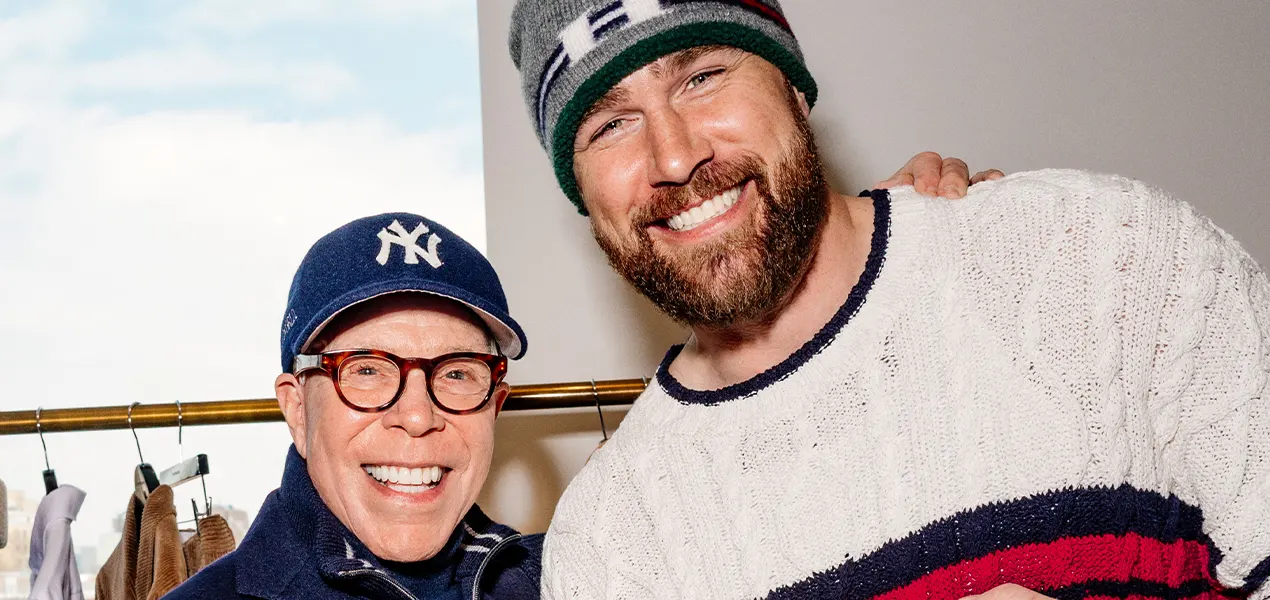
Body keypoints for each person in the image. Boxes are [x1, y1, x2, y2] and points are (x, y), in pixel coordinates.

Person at [506, 1, 1270, 599]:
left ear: (792, 88)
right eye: (610, 124)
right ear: (582, 194)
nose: (674, 156)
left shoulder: (1104, 257)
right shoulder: (613, 539)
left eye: (702, 77)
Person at [167, 213, 540, 599]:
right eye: (366, 369)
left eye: (457, 374)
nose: (417, 416)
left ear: (495, 408)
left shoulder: (560, 577)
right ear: (297, 409)